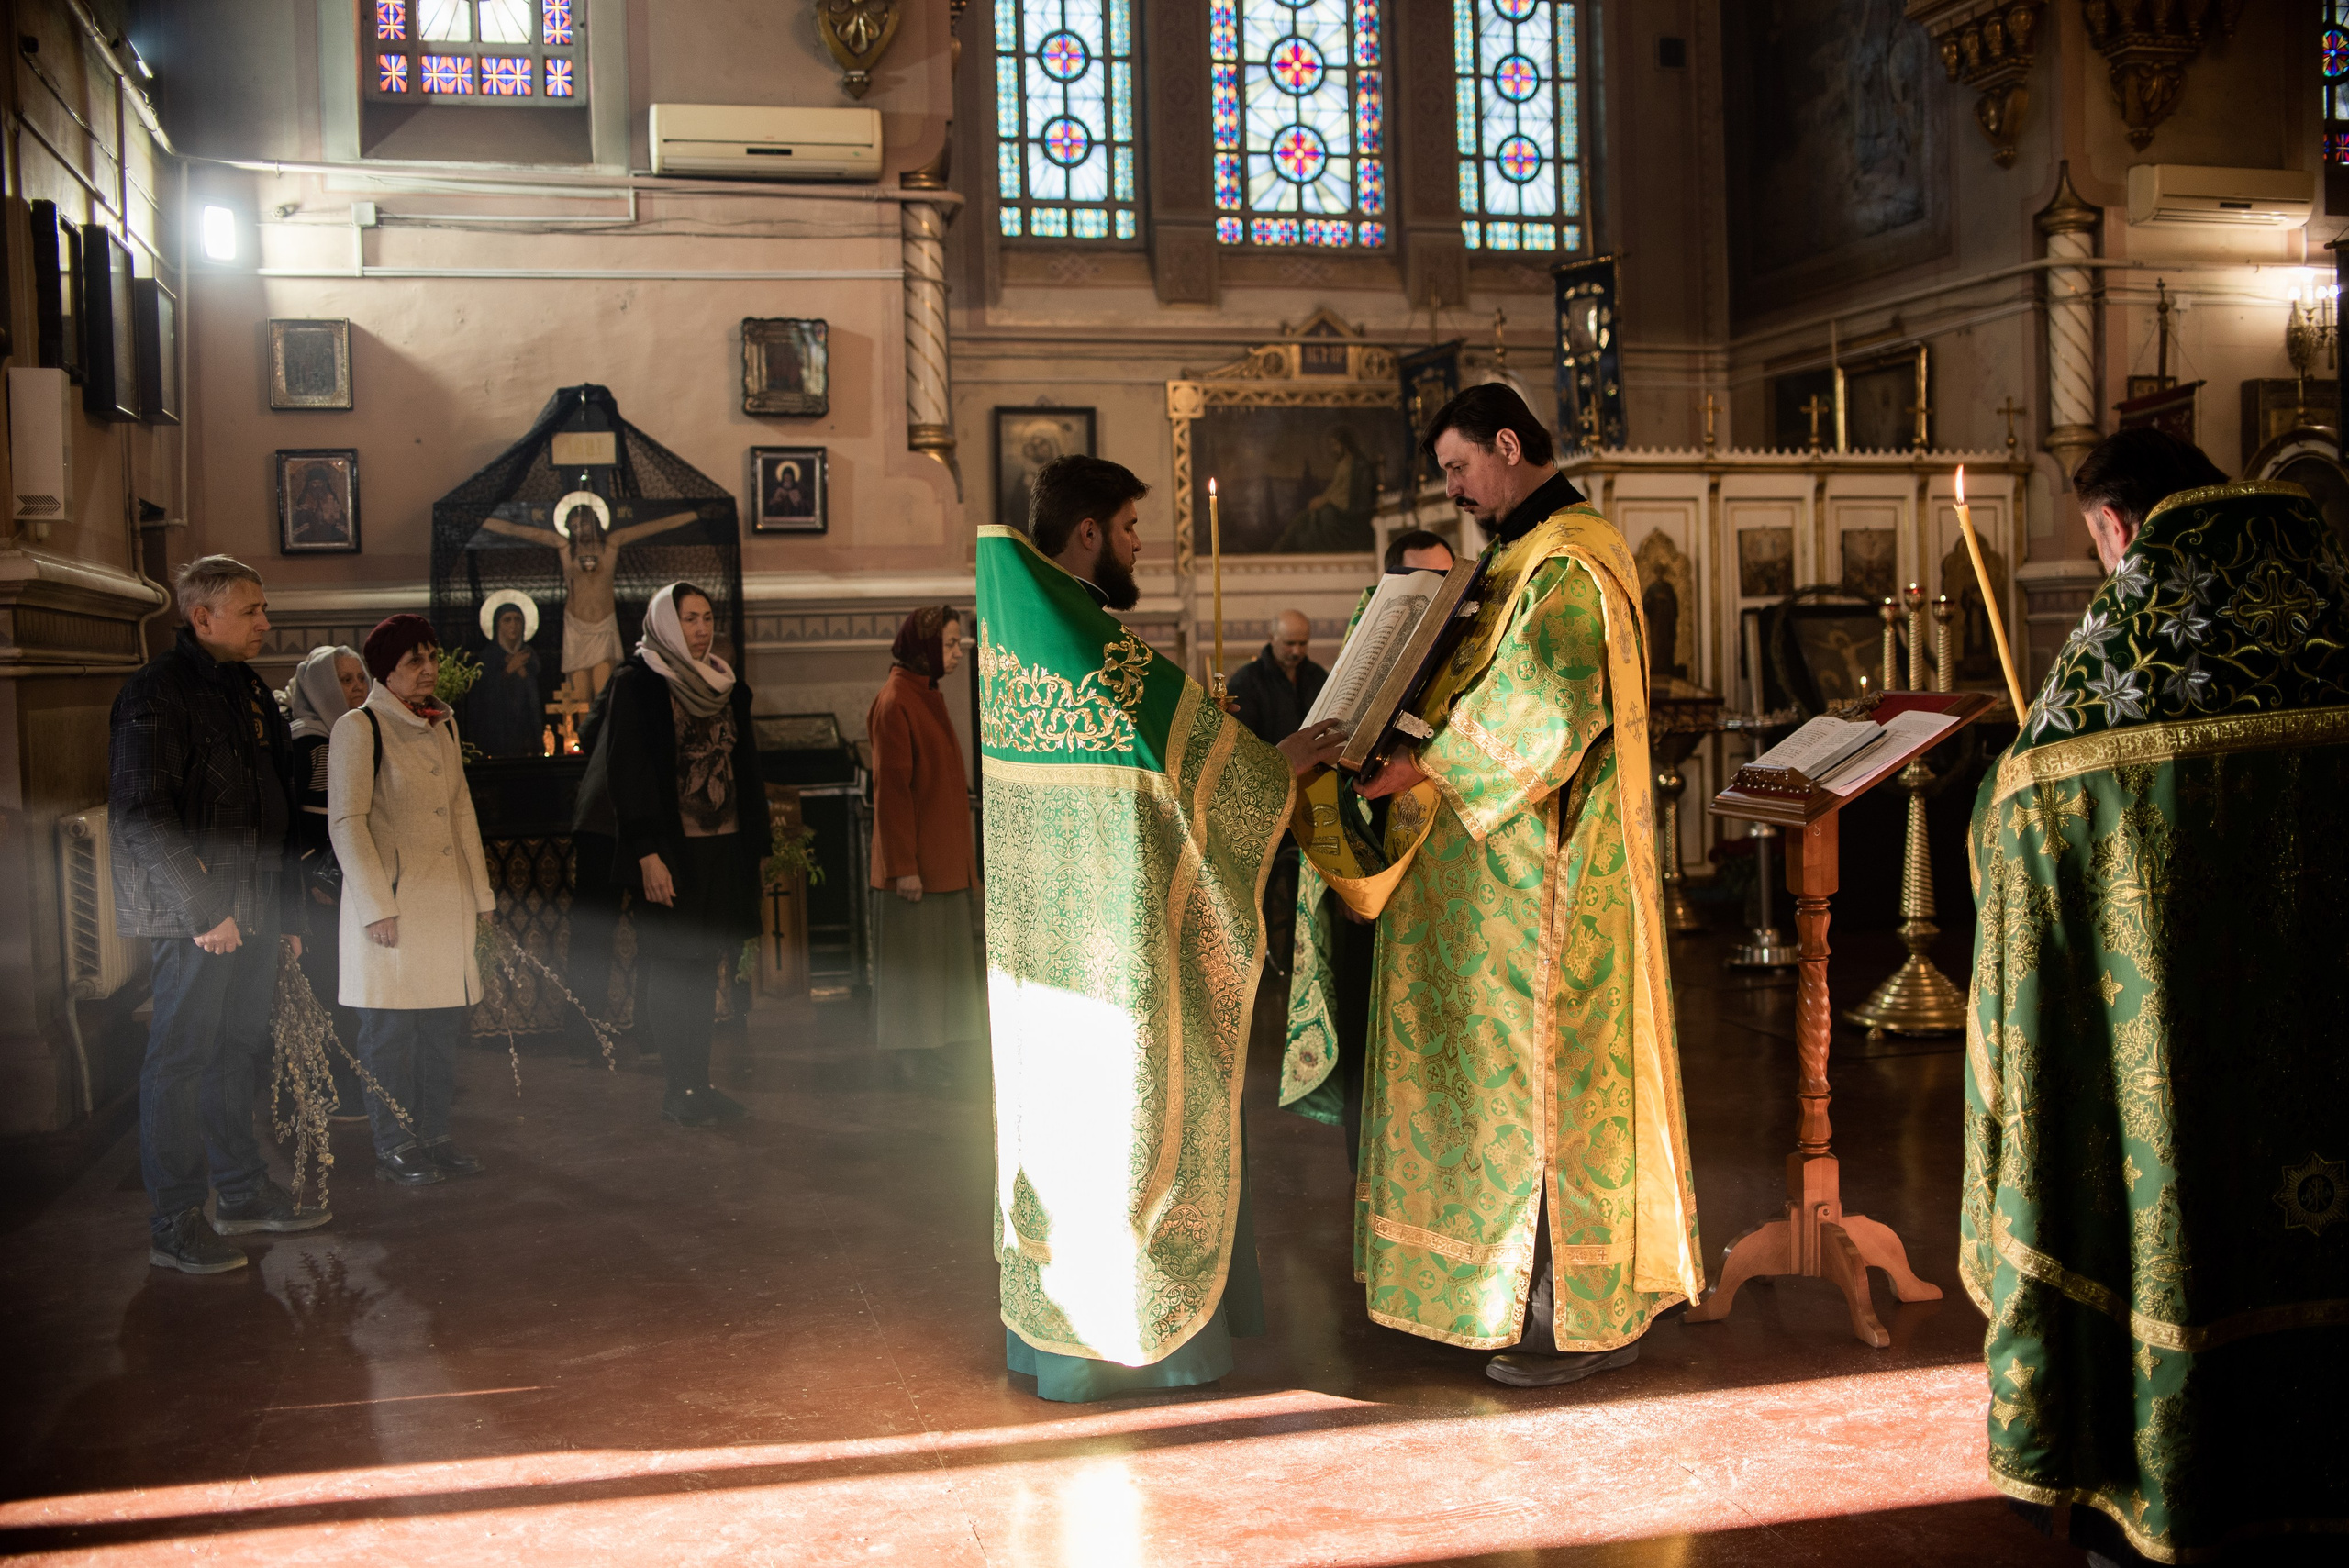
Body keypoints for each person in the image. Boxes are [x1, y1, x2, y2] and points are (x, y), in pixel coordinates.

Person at [1965, 429, 2349, 1567]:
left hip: (2179, 1090)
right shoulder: (2330, 609)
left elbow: (2020, 837)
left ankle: (2164, 1480)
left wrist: (2003, 780)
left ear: (2122, 527)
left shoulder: (2109, 683)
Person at [1292, 383, 1705, 1388]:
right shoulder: (1513, 559)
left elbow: (1548, 709)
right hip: (1490, 879)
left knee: (1543, 1092)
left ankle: (1576, 1320)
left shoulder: (1570, 557)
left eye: (1458, 467)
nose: (1453, 489)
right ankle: (1490, 1296)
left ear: (1509, 445)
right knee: (1492, 1097)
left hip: (1549, 893)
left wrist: (1424, 766)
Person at [982, 454, 1343, 1401]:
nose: (1143, 544)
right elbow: (1205, 782)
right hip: (1118, 951)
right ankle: (1152, 1336)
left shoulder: (1017, 634)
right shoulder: (1098, 646)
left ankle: (1053, 1342)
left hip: (1043, 959)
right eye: (1134, 527)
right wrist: (1286, 762)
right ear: (1092, 530)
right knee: (1138, 1125)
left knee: (1061, 1134)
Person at [109, 555, 329, 1274]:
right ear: (202, 616)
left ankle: (239, 1192)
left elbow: (273, 803)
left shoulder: (245, 686)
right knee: (180, 1059)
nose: (267, 622)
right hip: (196, 915)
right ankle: (174, 1219)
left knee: (240, 1048)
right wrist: (205, 909)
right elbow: (143, 815)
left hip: (257, 904)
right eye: (252, 610)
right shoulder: (156, 691)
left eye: (264, 608)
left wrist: (285, 909)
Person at [1283, 530, 1458, 1166]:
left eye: (1448, 581)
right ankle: (1371, 1202)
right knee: (1368, 1049)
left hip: (1444, 898)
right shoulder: (1364, 661)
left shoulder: (1460, 662)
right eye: (1424, 583)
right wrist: (1353, 882)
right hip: (1372, 899)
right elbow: (1329, 775)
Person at [590, 582, 771, 1126]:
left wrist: (756, 848)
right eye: (690, 619)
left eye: (707, 618)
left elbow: (748, 771)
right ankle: (679, 1088)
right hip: (672, 853)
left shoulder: (724, 684)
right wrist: (647, 853)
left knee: (707, 965)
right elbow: (628, 773)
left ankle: (700, 1084)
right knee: (674, 970)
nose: (701, 629)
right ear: (666, 623)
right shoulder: (639, 683)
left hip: (723, 848)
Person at [329, 616, 499, 1186]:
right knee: (388, 1036)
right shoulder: (360, 727)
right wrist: (377, 906)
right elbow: (347, 824)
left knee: (439, 1033)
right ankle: (393, 1143)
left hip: (444, 907)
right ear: (387, 671)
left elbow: (460, 813)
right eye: (413, 662)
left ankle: (435, 1136)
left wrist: (481, 893)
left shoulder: (441, 724)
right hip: (394, 911)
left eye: (431, 657)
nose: (428, 670)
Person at [867, 605, 985, 1089]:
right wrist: (904, 867)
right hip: (917, 868)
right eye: (950, 644)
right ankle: (914, 1055)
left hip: (940, 860)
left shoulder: (924, 694)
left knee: (942, 964)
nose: (958, 653)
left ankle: (936, 1051)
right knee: (917, 966)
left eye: (958, 644)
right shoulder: (897, 700)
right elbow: (892, 793)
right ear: (924, 646)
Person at [281, 643, 371, 1124]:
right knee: (330, 990)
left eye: (360, 678)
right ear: (319, 688)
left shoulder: (347, 732)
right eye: (343, 681)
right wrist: (320, 874)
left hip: (345, 883)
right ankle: (332, 1090)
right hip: (323, 889)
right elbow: (303, 824)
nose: (356, 688)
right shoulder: (313, 743)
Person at [1227, 610, 1327, 748]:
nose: (1297, 652)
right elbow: (1241, 741)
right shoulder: (1246, 681)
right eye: (1289, 644)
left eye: (1302, 644)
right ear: (1272, 638)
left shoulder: (1318, 676)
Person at [1276, 428, 1379, 551]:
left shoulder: (1358, 465)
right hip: (1337, 503)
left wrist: (1325, 501)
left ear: (1344, 444)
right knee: (1303, 518)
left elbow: (1347, 492)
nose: (1334, 448)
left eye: (1336, 444)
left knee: (1324, 516)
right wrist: (1322, 499)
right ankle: (1283, 546)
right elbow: (1335, 487)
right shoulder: (1342, 464)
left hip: (1347, 508)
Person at [467, 596, 545, 759]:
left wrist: (523, 672)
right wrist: (508, 670)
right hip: (497, 731)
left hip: (526, 733)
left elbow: (539, 694)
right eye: (507, 620)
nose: (513, 625)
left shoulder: (530, 655)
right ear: (498, 625)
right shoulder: (489, 656)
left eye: (517, 620)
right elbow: (482, 697)